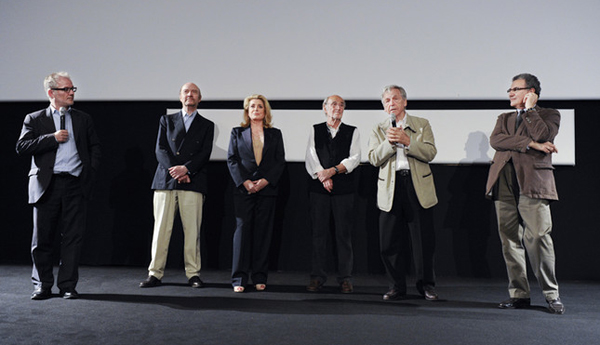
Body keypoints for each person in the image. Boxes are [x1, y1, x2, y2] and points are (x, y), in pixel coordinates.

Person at [16, 72, 101, 300]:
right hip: (47, 184)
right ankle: (42, 285)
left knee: (73, 237)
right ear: (52, 93)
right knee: (42, 238)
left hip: (74, 184)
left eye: (73, 89)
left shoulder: (83, 119)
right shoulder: (35, 119)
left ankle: (67, 286)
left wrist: (89, 173)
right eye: (67, 89)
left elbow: (95, 148)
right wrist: (51, 138)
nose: (72, 93)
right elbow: (22, 146)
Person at [485, 73, 564, 314]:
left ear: (530, 92)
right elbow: (496, 140)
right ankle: (519, 294)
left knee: (538, 237)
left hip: (533, 180)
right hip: (503, 179)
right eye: (509, 89)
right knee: (509, 240)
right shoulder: (504, 117)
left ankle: (551, 294)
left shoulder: (549, 114)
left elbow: (543, 134)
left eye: (515, 89)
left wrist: (530, 112)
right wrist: (531, 145)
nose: (510, 93)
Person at [139, 82, 214, 289]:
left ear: (200, 98)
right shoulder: (166, 120)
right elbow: (160, 149)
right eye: (186, 92)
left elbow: (204, 153)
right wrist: (176, 170)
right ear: (180, 96)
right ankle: (155, 273)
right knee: (161, 229)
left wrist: (187, 170)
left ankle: (193, 273)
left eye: (194, 92)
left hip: (193, 181)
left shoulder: (207, 125)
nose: (190, 95)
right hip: (166, 181)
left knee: (192, 231)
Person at [368, 85, 439, 301]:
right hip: (391, 187)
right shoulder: (379, 129)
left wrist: (408, 142)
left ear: (405, 102)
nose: (391, 103)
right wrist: (389, 143)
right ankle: (396, 286)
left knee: (422, 241)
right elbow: (373, 158)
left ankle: (426, 285)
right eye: (387, 100)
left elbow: (430, 153)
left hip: (416, 186)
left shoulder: (421, 124)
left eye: (395, 99)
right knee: (389, 242)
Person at [227, 94, 285, 293]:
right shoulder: (237, 132)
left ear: (265, 111)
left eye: (260, 106)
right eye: (252, 106)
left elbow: (279, 161)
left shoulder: (275, 134)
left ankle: (260, 276)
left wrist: (265, 181)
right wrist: (245, 182)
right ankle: (239, 279)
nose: (256, 109)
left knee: (263, 233)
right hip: (244, 190)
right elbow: (232, 159)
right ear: (247, 110)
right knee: (242, 233)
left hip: (267, 189)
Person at [305, 95, 361, 293]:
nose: (337, 108)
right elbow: (310, 156)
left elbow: (354, 158)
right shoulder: (315, 129)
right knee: (318, 234)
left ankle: (345, 278)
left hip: (344, 191)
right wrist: (323, 175)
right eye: (333, 104)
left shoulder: (352, 131)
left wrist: (332, 171)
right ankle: (317, 277)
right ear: (325, 108)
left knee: (343, 235)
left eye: (341, 105)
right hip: (319, 190)